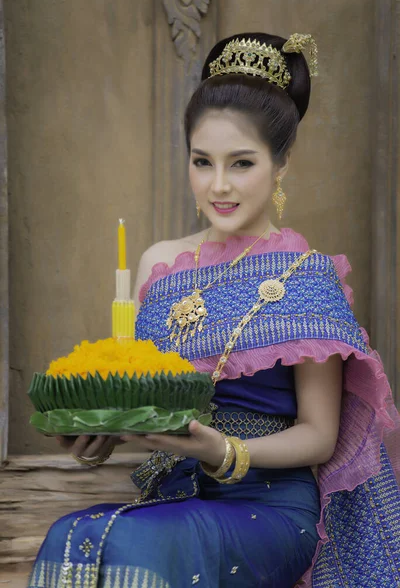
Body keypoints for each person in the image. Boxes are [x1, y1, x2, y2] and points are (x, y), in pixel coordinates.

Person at [28, 32, 400, 588]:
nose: (218, 185)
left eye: (241, 163)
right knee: (68, 536)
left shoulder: (305, 275)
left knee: (136, 544)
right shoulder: (161, 264)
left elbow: (320, 435)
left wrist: (225, 450)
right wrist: (96, 436)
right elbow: (144, 398)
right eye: (202, 162)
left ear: (280, 164)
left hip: (272, 507)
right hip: (175, 491)